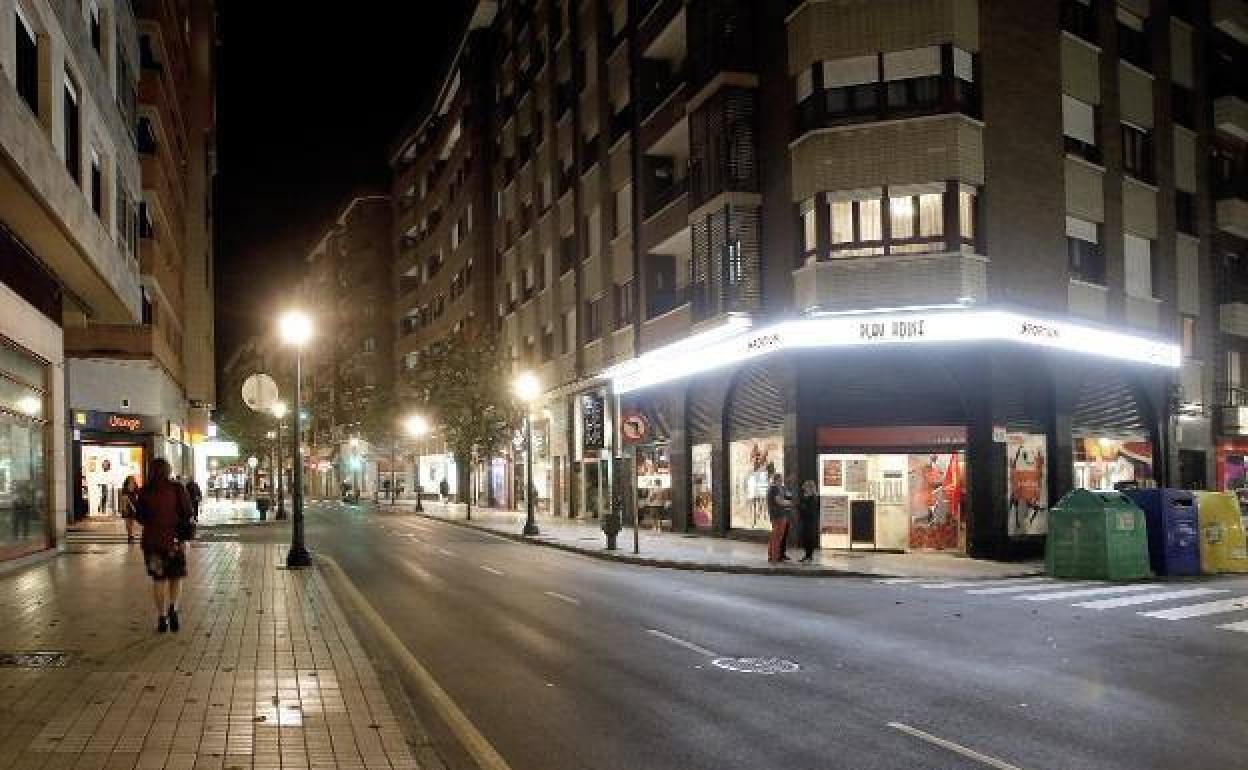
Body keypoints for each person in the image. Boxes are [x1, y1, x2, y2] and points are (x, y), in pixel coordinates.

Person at [137, 458, 194, 634]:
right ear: (168, 470)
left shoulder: (145, 491)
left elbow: (140, 518)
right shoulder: (177, 488)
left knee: (159, 579)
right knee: (175, 577)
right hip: (174, 542)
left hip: (152, 543)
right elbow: (188, 512)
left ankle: (162, 617)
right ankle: (173, 609)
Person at [766, 472, 793, 563]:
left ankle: (772, 555)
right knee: (777, 536)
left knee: (775, 536)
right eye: (781, 479)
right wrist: (790, 503)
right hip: (778, 515)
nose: (782, 481)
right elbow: (779, 501)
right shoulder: (774, 489)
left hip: (777, 515)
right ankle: (774, 557)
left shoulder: (774, 488)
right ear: (777, 480)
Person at [797, 480, 820, 563]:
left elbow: (811, 509)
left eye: (805, 486)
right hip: (805, 519)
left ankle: (809, 556)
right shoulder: (805, 496)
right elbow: (801, 506)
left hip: (810, 519)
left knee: (809, 538)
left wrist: (801, 507)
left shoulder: (813, 497)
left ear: (809, 487)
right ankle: (807, 555)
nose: (803, 487)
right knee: (805, 538)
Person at [120, 476, 139, 543]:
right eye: (131, 480)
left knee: (132, 522)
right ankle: (130, 535)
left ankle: (131, 535)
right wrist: (124, 508)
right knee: (128, 522)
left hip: (133, 506)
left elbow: (138, 496)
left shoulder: (136, 488)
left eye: (133, 480)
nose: (132, 481)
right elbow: (124, 499)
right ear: (128, 481)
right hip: (127, 507)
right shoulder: (125, 488)